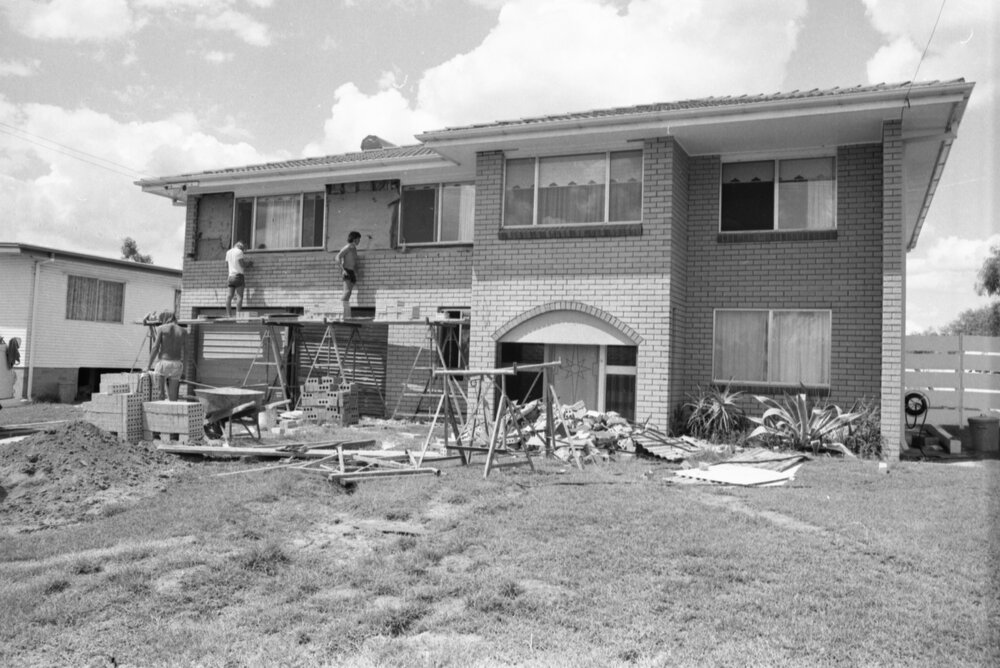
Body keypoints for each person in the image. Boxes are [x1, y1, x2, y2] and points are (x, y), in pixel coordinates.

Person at [148, 311, 186, 401]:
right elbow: (187, 352)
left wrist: (148, 365)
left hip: (163, 364)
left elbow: (155, 348)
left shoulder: (161, 328)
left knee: (159, 394)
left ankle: (160, 413)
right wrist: (185, 370)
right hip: (177, 364)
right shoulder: (183, 331)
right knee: (173, 397)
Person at [336, 231, 361, 319]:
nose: (359, 241)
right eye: (358, 239)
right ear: (354, 239)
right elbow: (337, 257)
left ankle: (345, 312)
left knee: (349, 293)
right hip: (346, 270)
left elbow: (354, 261)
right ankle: (338, 311)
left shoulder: (354, 248)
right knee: (346, 292)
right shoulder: (349, 247)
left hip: (351, 271)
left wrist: (357, 271)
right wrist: (342, 269)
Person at [225, 241, 253, 317]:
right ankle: (238, 315)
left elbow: (226, 266)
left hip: (230, 277)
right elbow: (242, 264)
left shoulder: (228, 252)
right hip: (238, 276)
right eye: (243, 249)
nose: (243, 251)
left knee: (229, 296)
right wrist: (249, 264)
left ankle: (228, 315)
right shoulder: (239, 252)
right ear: (241, 247)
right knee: (239, 296)